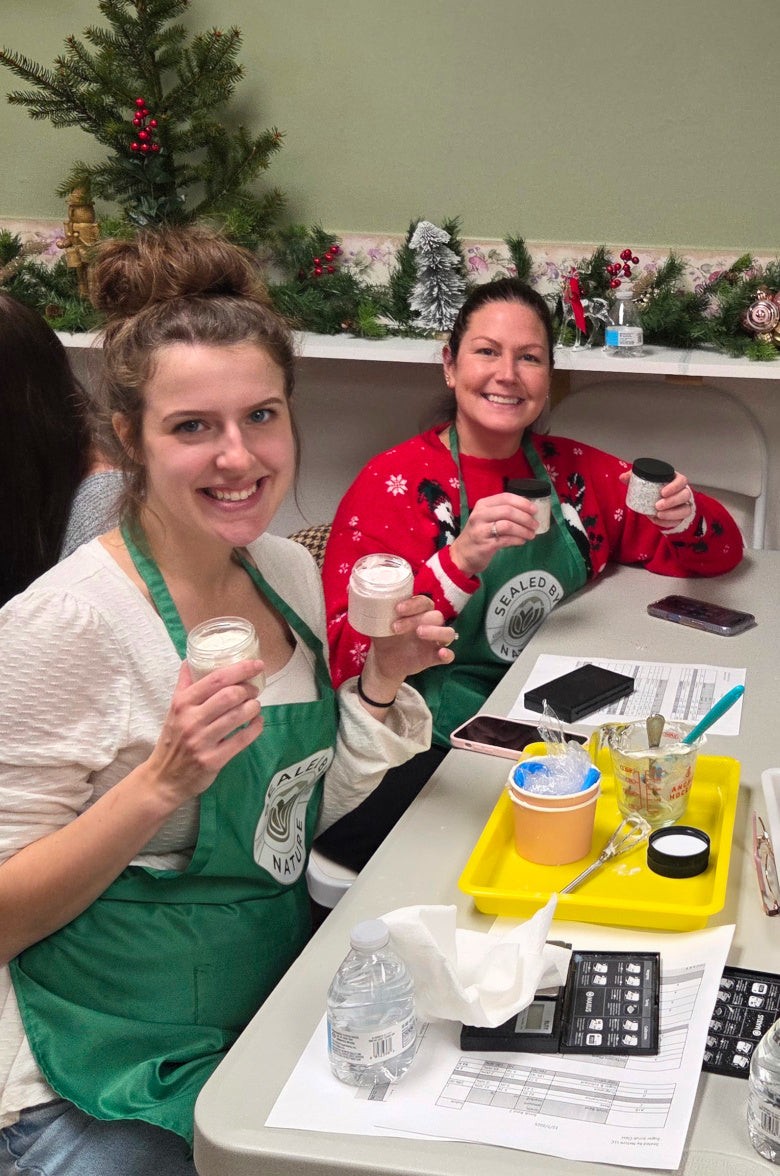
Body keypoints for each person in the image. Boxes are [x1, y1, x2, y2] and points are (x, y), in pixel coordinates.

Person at [0, 227, 455, 1175]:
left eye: (263, 415)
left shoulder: (284, 569)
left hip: (251, 1014)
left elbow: (287, 820)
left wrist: (379, 684)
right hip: (85, 1062)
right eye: (192, 426)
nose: (238, 457)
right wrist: (159, 785)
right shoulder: (68, 627)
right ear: (130, 438)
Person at [318, 277, 744, 871]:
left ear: (548, 378)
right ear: (450, 364)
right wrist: (457, 560)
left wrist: (685, 514)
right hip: (425, 745)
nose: (508, 374)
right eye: (487, 351)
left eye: (530, 358)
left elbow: (718, 557)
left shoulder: (571, 473)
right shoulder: (393, 486)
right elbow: (348, 657)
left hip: (545, 722)